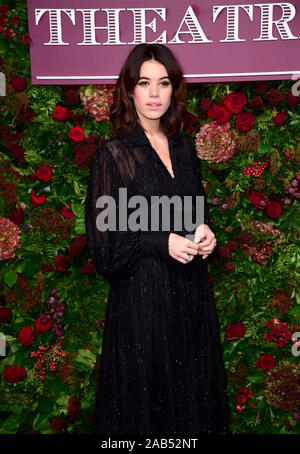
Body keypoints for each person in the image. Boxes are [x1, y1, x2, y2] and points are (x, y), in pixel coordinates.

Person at [85, 43, 230, 435]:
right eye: (144, 83)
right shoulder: (114, 155)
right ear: (129, 89)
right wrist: (159, 242)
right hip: (142, 308)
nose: (154, 94)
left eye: (163, 83)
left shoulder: (185, 149)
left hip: (190, 301)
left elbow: (194, 215)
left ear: (174, 89)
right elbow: (105, 248)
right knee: (146, 417)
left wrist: (205, 233)